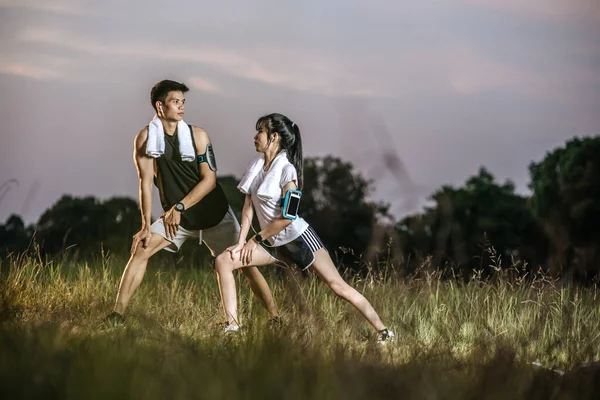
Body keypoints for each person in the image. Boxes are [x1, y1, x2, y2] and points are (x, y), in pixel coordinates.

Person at [105, 80, 279, 325]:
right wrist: (145, 225)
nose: (181, 107)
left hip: (214, 215)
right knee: (141, 248)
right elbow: (145, 183)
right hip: (177, 220)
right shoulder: (145, 139)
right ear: (160, 106)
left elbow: (209, 180)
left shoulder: (198, 135)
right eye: (175, 102)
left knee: (245, 264)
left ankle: (275, 318)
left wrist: (179, 207)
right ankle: (116, 316)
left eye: (183, 102)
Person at [214, 113, 394, 343]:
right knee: (224, 261)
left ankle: (384, 332)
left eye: (260, 131)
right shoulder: (256, 166)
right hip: (270, 243)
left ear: (274, 137)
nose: (255, 136)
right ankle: (233, 328)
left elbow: (289, 217)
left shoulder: (287, 170)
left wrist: (255, 240)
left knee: (337, 287)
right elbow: (248, 206)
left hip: (298, 239)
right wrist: (241, 242)